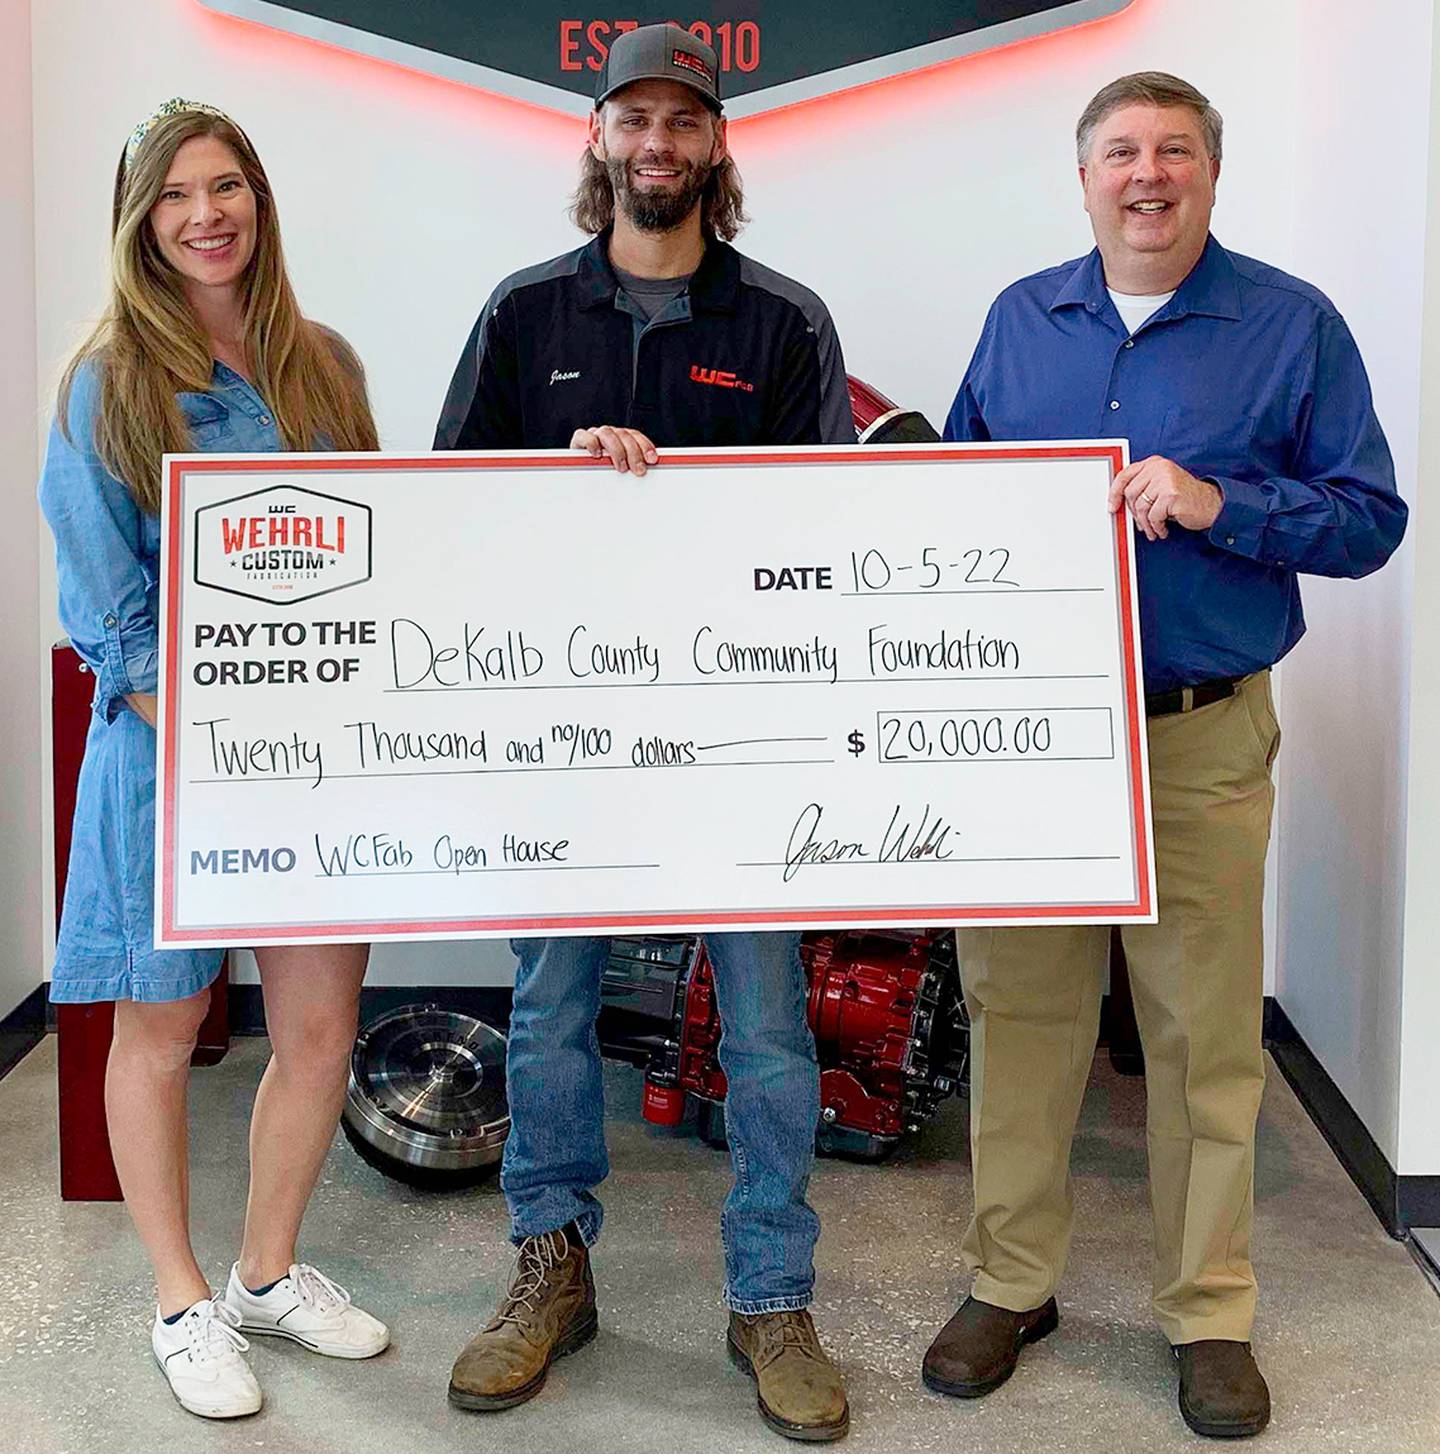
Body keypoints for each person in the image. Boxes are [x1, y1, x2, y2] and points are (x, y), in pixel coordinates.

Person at [922, 72, 1406, 1439]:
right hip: (1031, 737)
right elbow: (959, 492)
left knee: (1202, 1039)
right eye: (1121, 151)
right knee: (1021, 1016)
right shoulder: (1025, 318)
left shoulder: (1291, 327)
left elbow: (1371, 520)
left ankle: (1210, 1308)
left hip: (1198, 735)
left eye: (1174, 150)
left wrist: (1220, 502)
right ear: (1083, 179)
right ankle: (1012, 1280)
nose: (1148, 173)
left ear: (1210, 174)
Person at [434, 25, 852, 1443]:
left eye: (686, 120)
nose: (659, 144)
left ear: (718, 144)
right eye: (636, 120)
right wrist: (563, 486)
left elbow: (827, 540)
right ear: (599, 140)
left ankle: (770, 1296)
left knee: (769, 1025)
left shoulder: (785, 322)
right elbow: (453, 520)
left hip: (740, 753)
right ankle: (550, 1267)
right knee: (549, 1008)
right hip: (566, 744)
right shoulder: (523, 316)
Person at [39, 99, 389, 1420]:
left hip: (314, 771)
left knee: (316, 1028)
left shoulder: (323, 368)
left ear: (258, 200)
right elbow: (110, 612)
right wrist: (219, 737)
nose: (206, 213)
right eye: (177, 192)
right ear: (141, 220)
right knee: (163, 1024)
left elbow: (378, 554)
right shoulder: (109, 380)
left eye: (226, 184)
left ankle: (264, 1273)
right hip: (163, 764)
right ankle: (183, 1300)